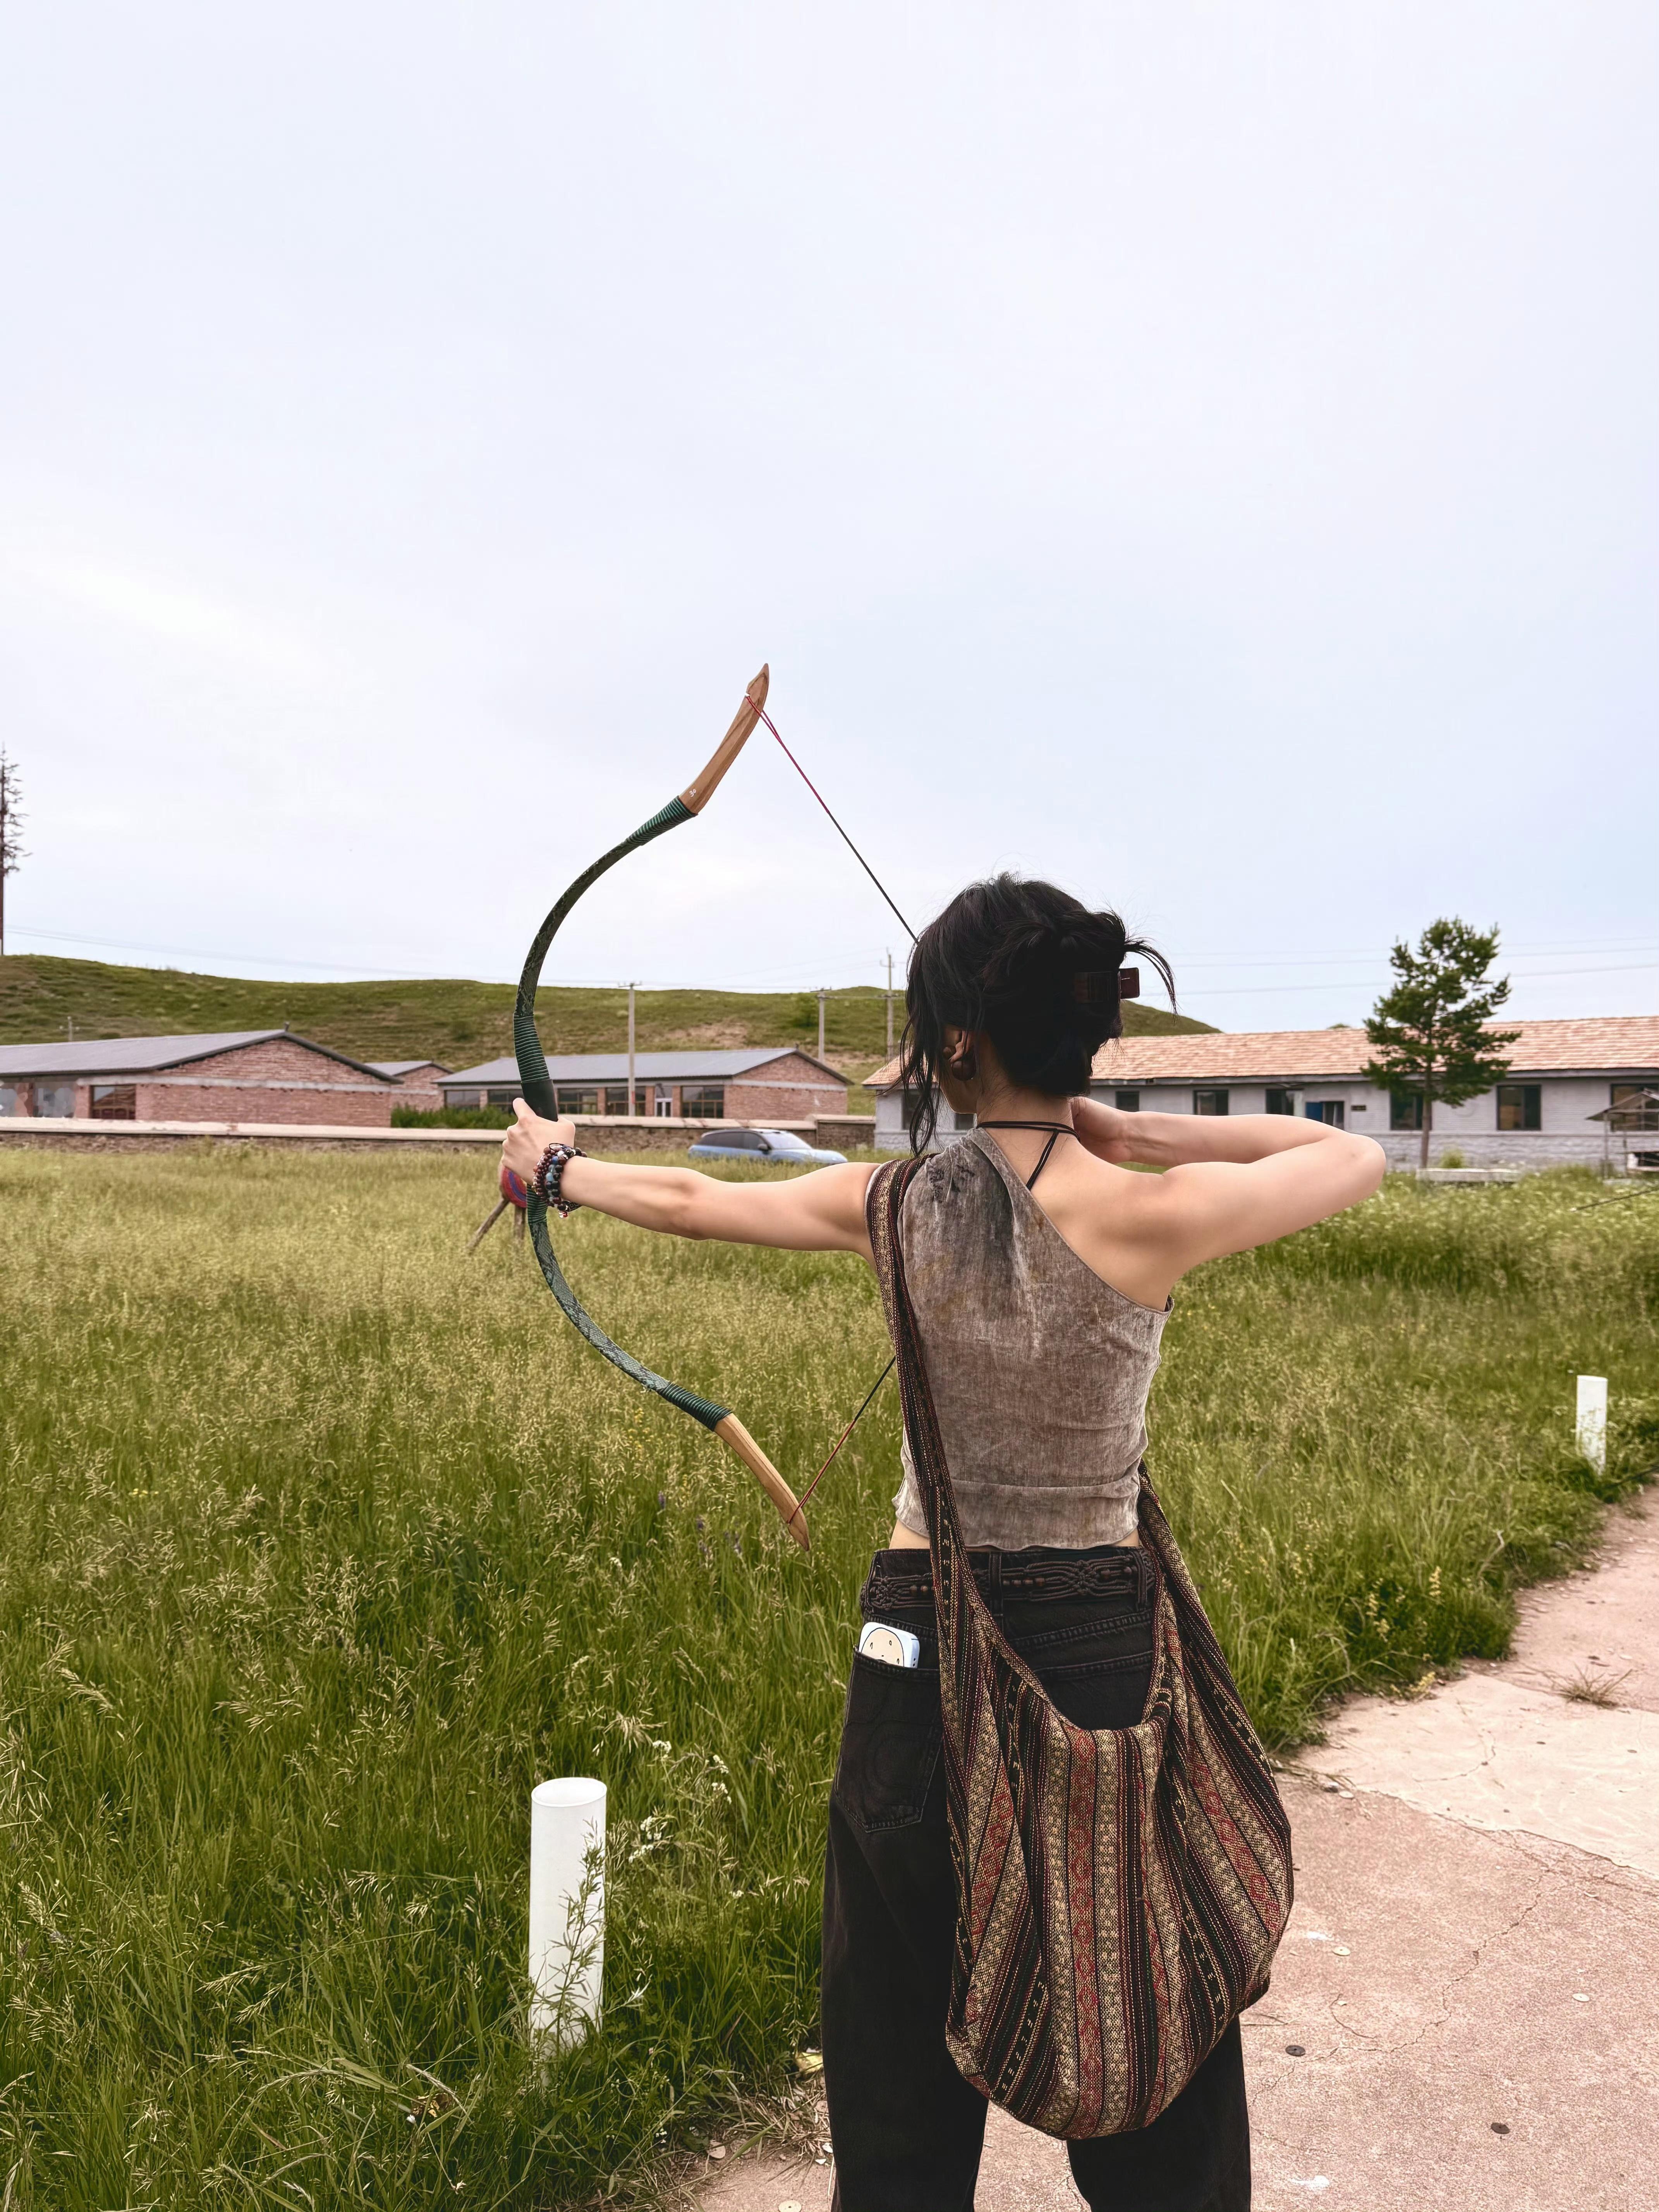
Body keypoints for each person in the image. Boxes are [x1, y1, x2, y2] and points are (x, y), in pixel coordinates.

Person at [502, 874, 1384, 2212]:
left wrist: (554, 1166)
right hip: (1101, 1650)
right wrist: (1135, 1134)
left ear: (955, 1042)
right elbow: (1348, 1156)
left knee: (895, 2046)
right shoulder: (1149, 1211)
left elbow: (686, 1200)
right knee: (1138, 1982)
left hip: (919, 1647)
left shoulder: (896, 1200)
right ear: (1078, 1034)